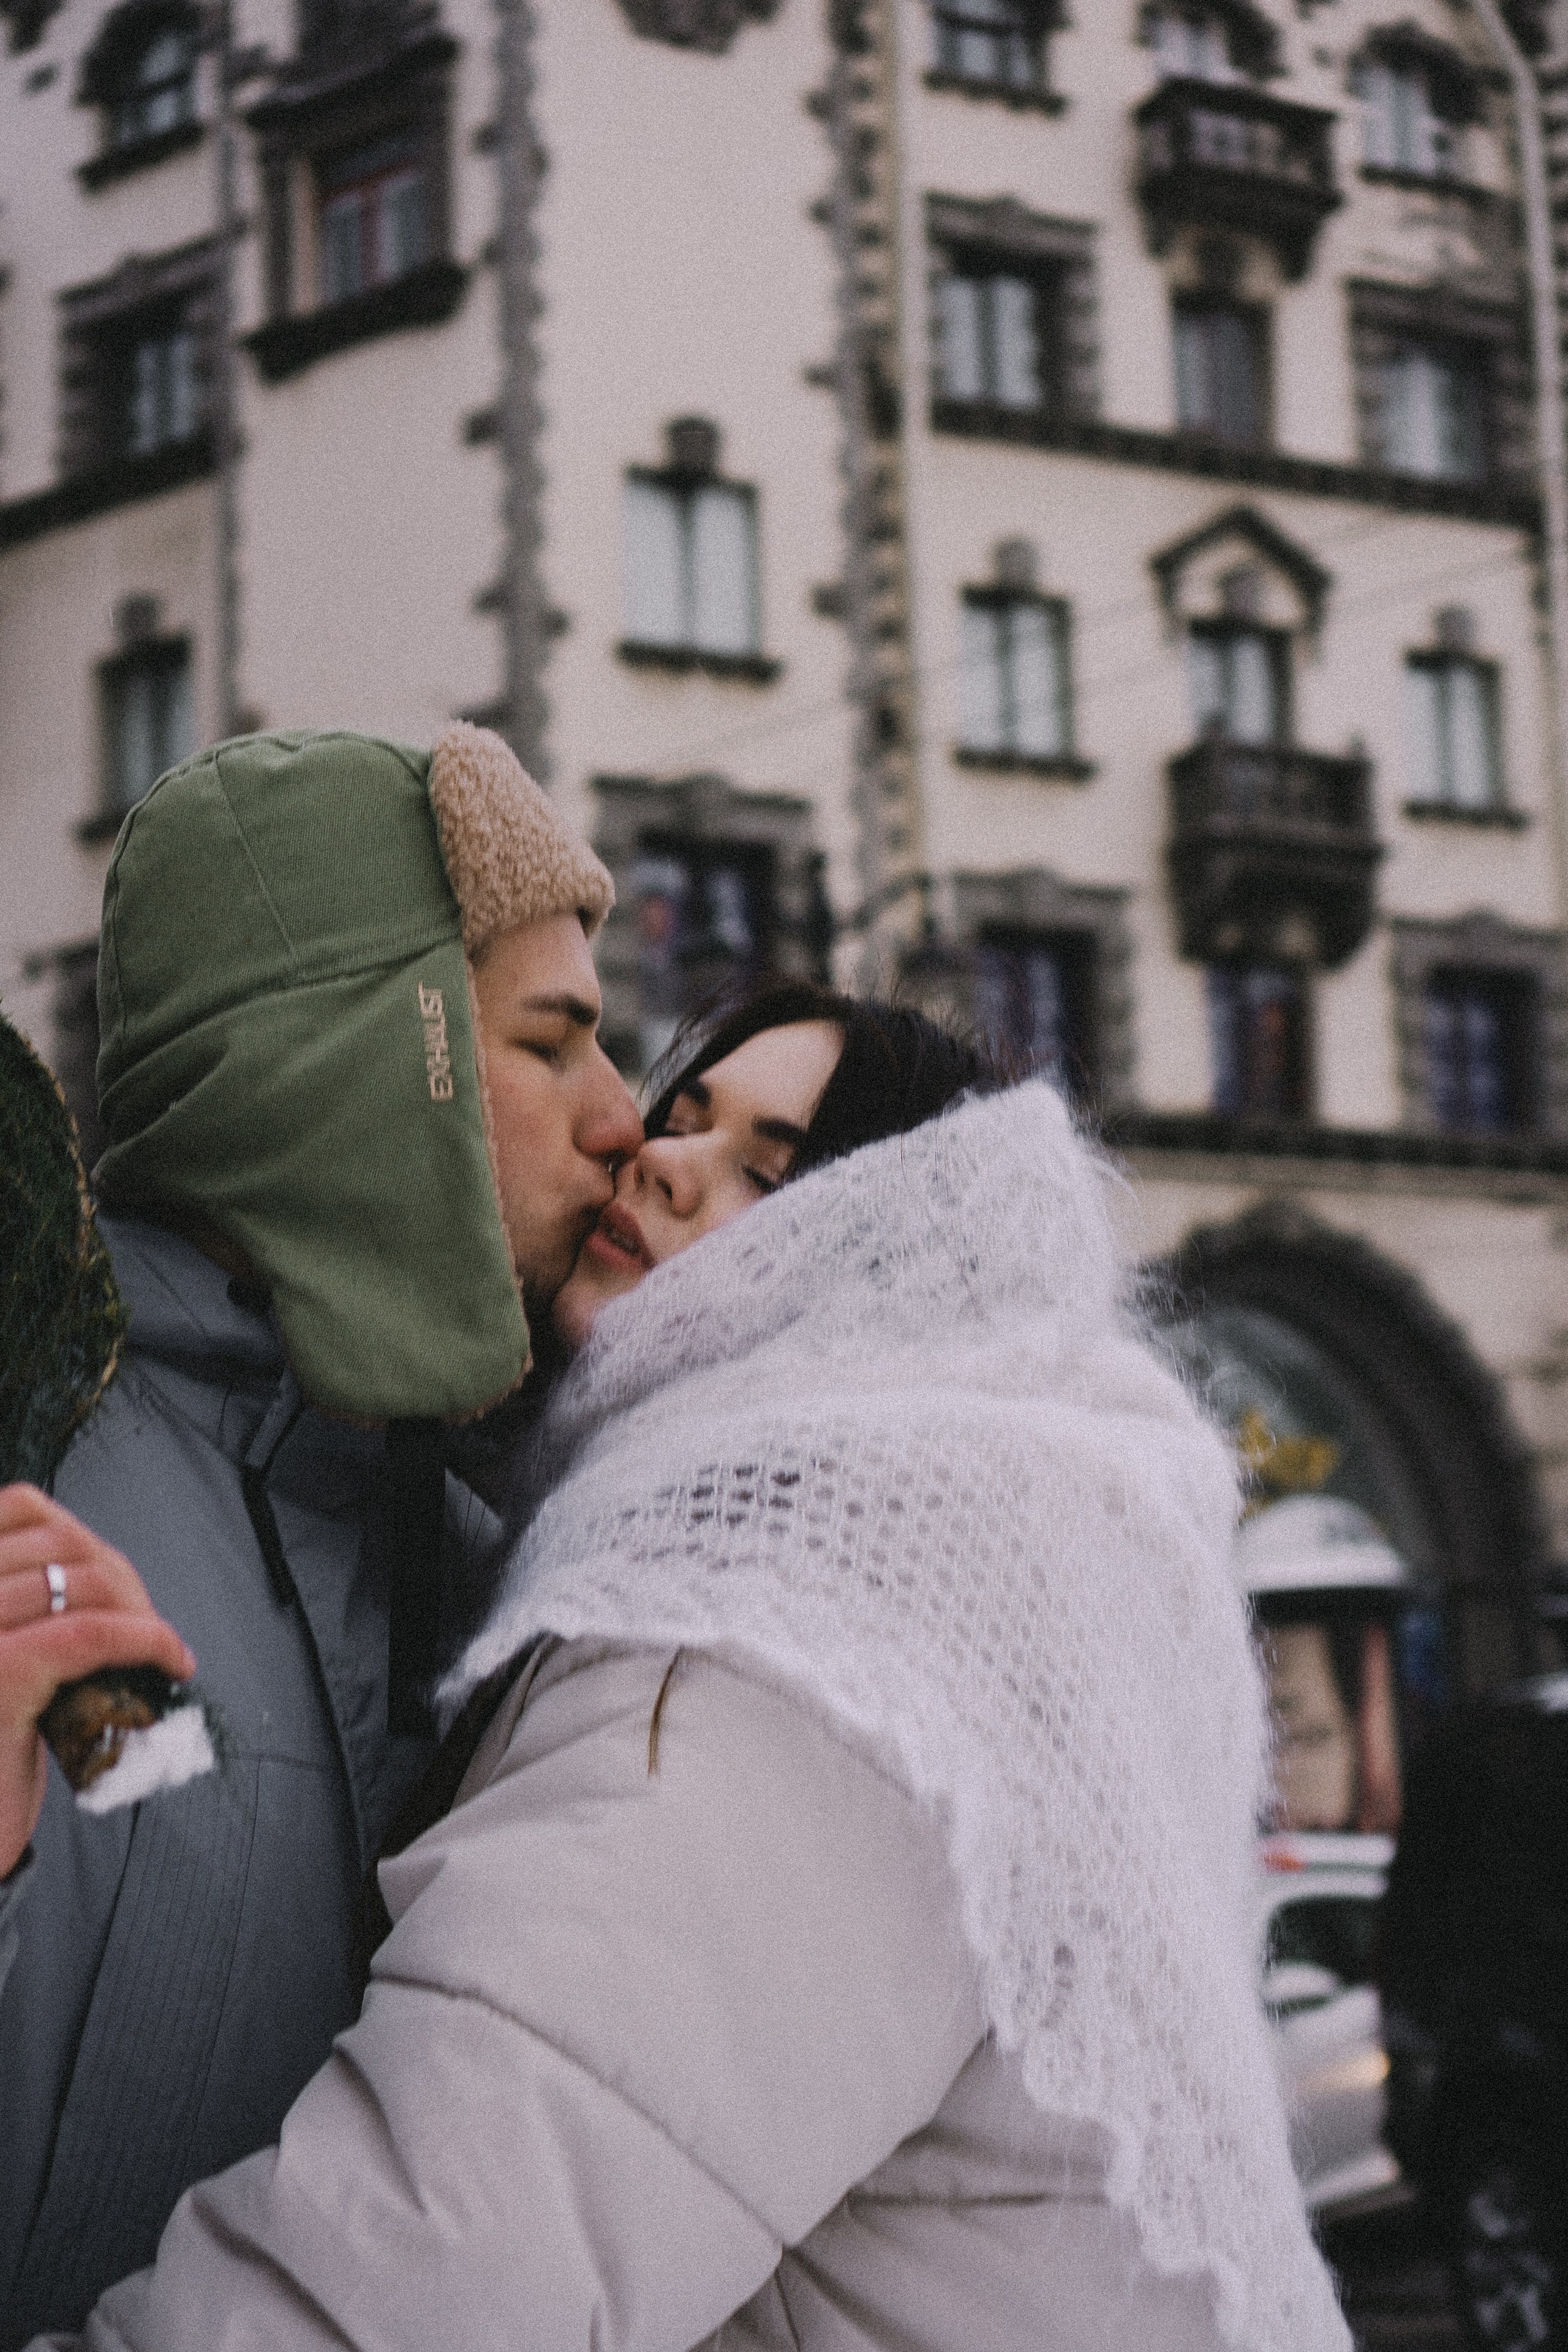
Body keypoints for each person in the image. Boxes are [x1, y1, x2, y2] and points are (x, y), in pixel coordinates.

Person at [28, 985, 1349, 2352]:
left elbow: (450, 2253)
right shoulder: (622, 1535)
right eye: (682, 1112)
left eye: (765, 1175)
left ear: (882, 1266)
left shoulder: (800, 1626)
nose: (654, 1152)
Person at [0, 722, 641, 2345]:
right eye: (553, 1043)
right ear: (375, 1066)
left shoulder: (505, 1562)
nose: (624, 1118)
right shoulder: (41, 1486)